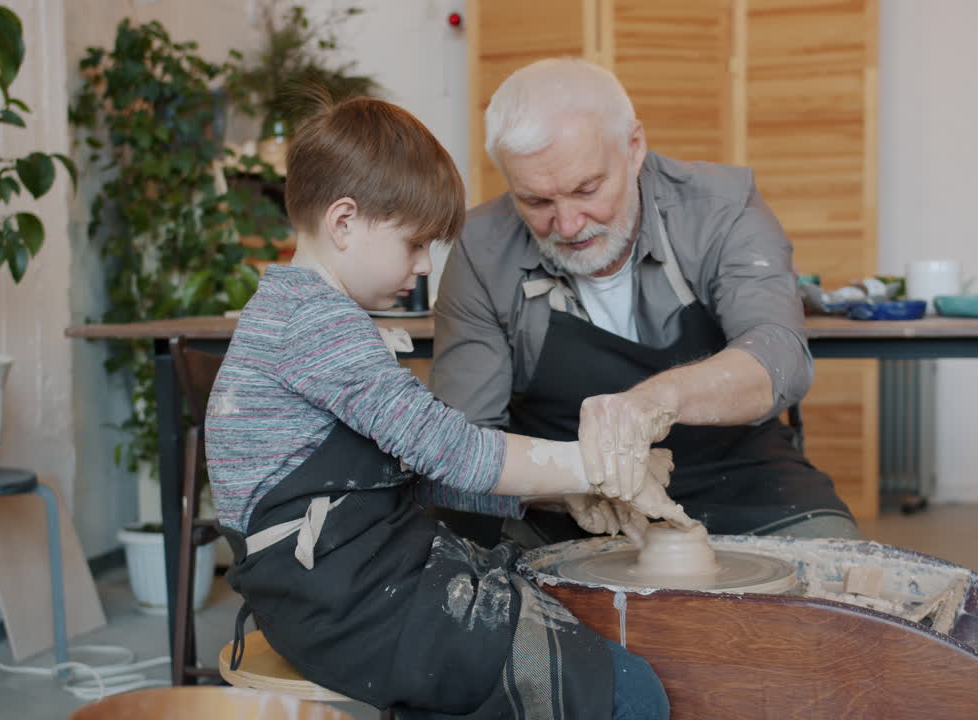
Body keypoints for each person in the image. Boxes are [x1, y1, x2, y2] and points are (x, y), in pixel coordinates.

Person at [205, 96, 682, 720]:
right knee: (631, 695)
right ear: (344, 221)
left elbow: (415, 472)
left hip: (357, 575)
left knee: (540, 595)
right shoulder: (315, 325)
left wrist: (554, 497)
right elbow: (454, 450)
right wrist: (605, 465)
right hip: (337, 605)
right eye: (414, 244)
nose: (425, 265)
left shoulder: (307, 313)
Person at [430, 58, 862, 547]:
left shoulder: (721, 209)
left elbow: (780, 354)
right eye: (536, 202)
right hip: (564, 491)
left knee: (841, 591)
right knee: (466, 576)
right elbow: (463, 441)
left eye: (587, 189)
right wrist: (569, 481)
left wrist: (659, 400)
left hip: (740, 475)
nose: (568, 225)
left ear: (634, 148)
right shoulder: (482, 248)